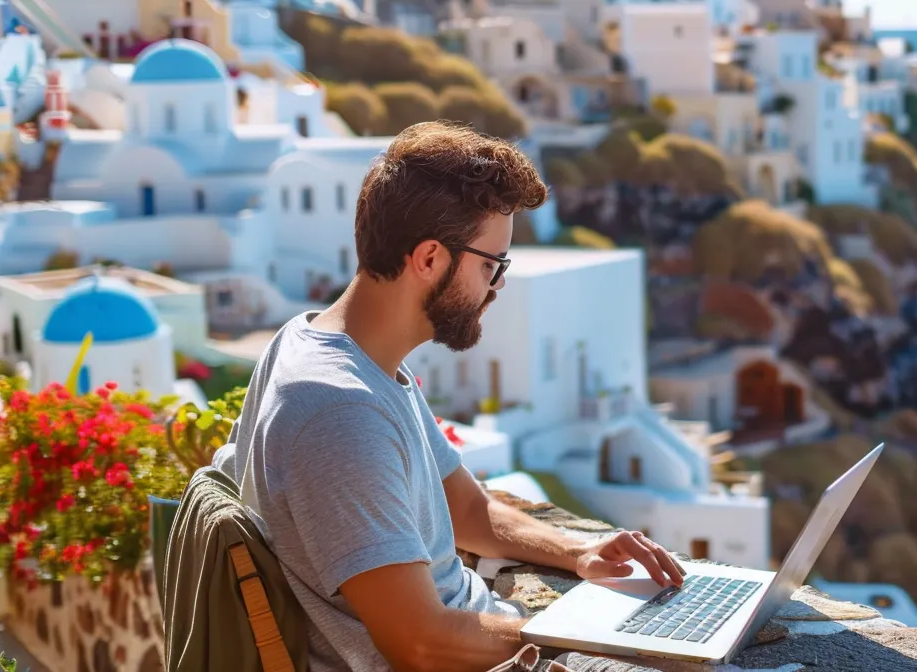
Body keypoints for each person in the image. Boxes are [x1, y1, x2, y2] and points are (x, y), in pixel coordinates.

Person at [218, 122, 688, 672]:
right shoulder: (339, 410)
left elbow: (466, 507)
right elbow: (421, 643)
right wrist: (585, 637)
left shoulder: (330, 347)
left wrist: (577, 551)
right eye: (492, 265)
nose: (498, 286)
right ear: (428, 258)